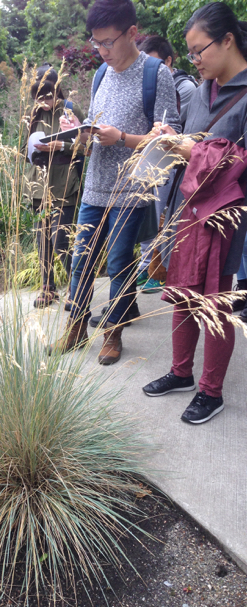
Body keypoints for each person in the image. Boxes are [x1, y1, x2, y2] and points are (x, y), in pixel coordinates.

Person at [49, 0, 180, 364]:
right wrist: (78, 134)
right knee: (81, 261)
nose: (102, 51)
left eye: (108, 42)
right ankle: (74, 330)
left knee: (120, 263)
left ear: (132, 33)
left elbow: (172, 140)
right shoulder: (100, 75)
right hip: (95, 186)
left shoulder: (157, 74)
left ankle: (113, 334)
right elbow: (93, 129)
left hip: (132, 191)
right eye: (96, 43)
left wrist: (122, 137)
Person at [142, 2, 247, 424]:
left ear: (227, 40)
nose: (195, 61)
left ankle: (211, 391)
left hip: (223, 216)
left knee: (215, 301)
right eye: (190, 53)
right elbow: (192, 142)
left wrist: (193, 149)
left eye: (199, 50)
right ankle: (182, 373)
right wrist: (172, 138)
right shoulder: (201, 91)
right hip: (186, 210)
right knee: (183, 293)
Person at [136, 36, 198, 294]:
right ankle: (146, 268)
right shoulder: (146, 85)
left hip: (173, 163)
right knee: (150, 214)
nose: (151, 71)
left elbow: (188, 132)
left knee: (163, 216)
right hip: (152, 159)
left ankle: (157, 270)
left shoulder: (185, 89)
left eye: (154, 63)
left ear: (168, 61)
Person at [23, 65, 84, 309]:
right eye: (40, 95)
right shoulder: (32, 114)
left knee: (61, 239)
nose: (45, 100)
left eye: (49, 95)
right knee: (42, 240)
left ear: (57, 90)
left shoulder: (69, 109)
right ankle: (47, 287)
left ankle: (76, 287)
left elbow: (85, 146)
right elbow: (20, 147)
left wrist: (60, 146)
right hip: (38, 184)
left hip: (64, 182)